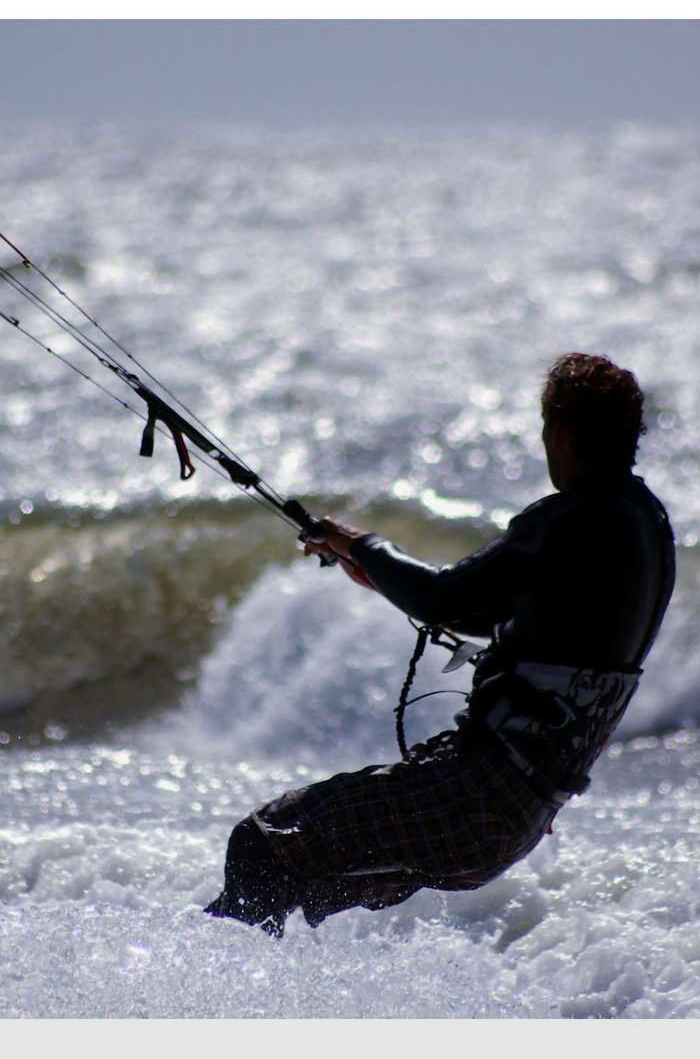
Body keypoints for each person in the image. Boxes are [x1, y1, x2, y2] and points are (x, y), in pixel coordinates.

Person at [205, 353, 675, 937]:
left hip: (472, 796)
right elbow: (491, 615)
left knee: (261, 844)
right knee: (294, 881)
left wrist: (361, 543)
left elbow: (441, 599)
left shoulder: (570, 520)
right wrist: (378, 573)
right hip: (517, 817)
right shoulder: (649, 526)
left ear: (558, 431)